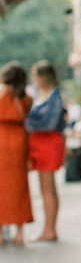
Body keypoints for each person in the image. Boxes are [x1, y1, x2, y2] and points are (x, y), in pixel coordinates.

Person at [26, 60, 66, 243]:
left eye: (36, 76)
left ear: (43, 77)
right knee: (48, 188)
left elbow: (49, 123)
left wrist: (27, 123)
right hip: (42, 143)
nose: (34, 80)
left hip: (48, 143)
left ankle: (49, 229)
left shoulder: (54, 96)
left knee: (47, 188)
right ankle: (50, 228)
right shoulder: (43, 95)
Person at [0, 61, 34, 245]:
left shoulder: (0, 93)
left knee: (1, 188)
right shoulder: (26, 98)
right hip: (19, 142)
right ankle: (19, 233)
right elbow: (27, 122)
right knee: (19, 187)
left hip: (1, 140)